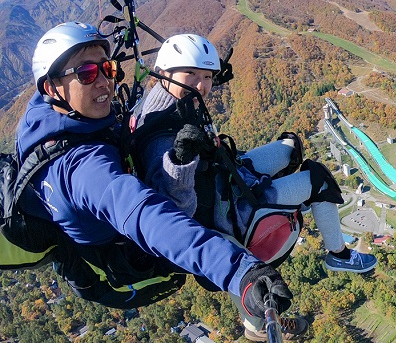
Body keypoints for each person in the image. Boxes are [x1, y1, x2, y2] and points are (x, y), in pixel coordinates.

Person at [16, 22, 291, 334]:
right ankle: (256, 325)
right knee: (228, 226)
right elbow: (151, 218)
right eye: (86, 74)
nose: (104, 81)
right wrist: (241, 272)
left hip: (94, 238)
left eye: (107, 68)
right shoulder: (85, 173)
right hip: (129, 265)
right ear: (51, 87)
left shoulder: (43, 116)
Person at [131, 33, 377, 339]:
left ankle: (290, 201)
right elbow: (175, 213)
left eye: (207, 76)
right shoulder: (160, 137)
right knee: (319, 179)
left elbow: (191, 90)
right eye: (191, 74)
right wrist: (181, 160)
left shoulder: (165, 100)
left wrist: (212, 78)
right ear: (165, 73)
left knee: (290, 147)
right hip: (225, 211)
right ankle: (338, 256)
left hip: (225, 175)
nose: (202, 85)